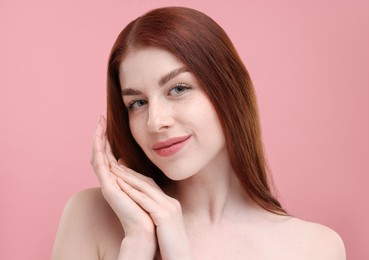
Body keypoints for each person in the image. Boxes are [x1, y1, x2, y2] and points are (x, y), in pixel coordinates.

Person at [52, 6, 345, 260]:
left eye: (178, 89)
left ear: (228, 90)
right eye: (137, 103)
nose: (155, 122)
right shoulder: (91, 217)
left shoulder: (313, 248)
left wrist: (177, 252)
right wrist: (138, 243)